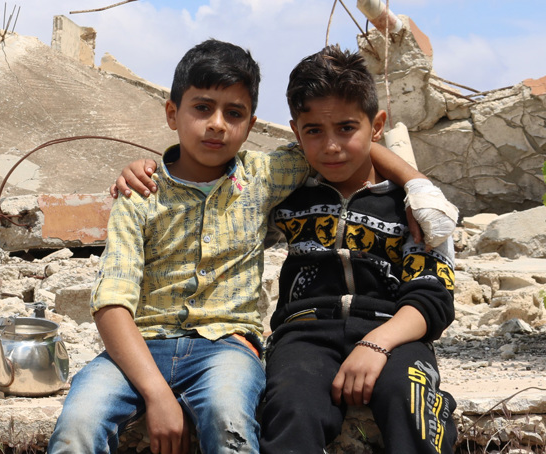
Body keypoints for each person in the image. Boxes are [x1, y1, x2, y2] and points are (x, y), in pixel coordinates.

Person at [47, 39, 437, 454]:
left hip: (226, 348)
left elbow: (348, 137)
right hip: (141, 346)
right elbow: (111, 302)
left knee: (228, 418)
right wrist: (158, 395)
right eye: (202, 108)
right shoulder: (141, 195)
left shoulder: (264, 175)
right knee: (77, 424)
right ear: (171, 113)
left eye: (233, 114)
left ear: (250, 125)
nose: (217, 124)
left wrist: (417, 185)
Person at [257, 45, 457, 454]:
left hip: (396, 333)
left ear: (377, 125)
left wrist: (376, 344)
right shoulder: (286, 192)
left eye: (347, 128)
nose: (331, 146)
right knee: (290, 405)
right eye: (314, 131)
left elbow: (433, 296)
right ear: (296, 132)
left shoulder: (416, 205)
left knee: (411, 401)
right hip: (304, 334)